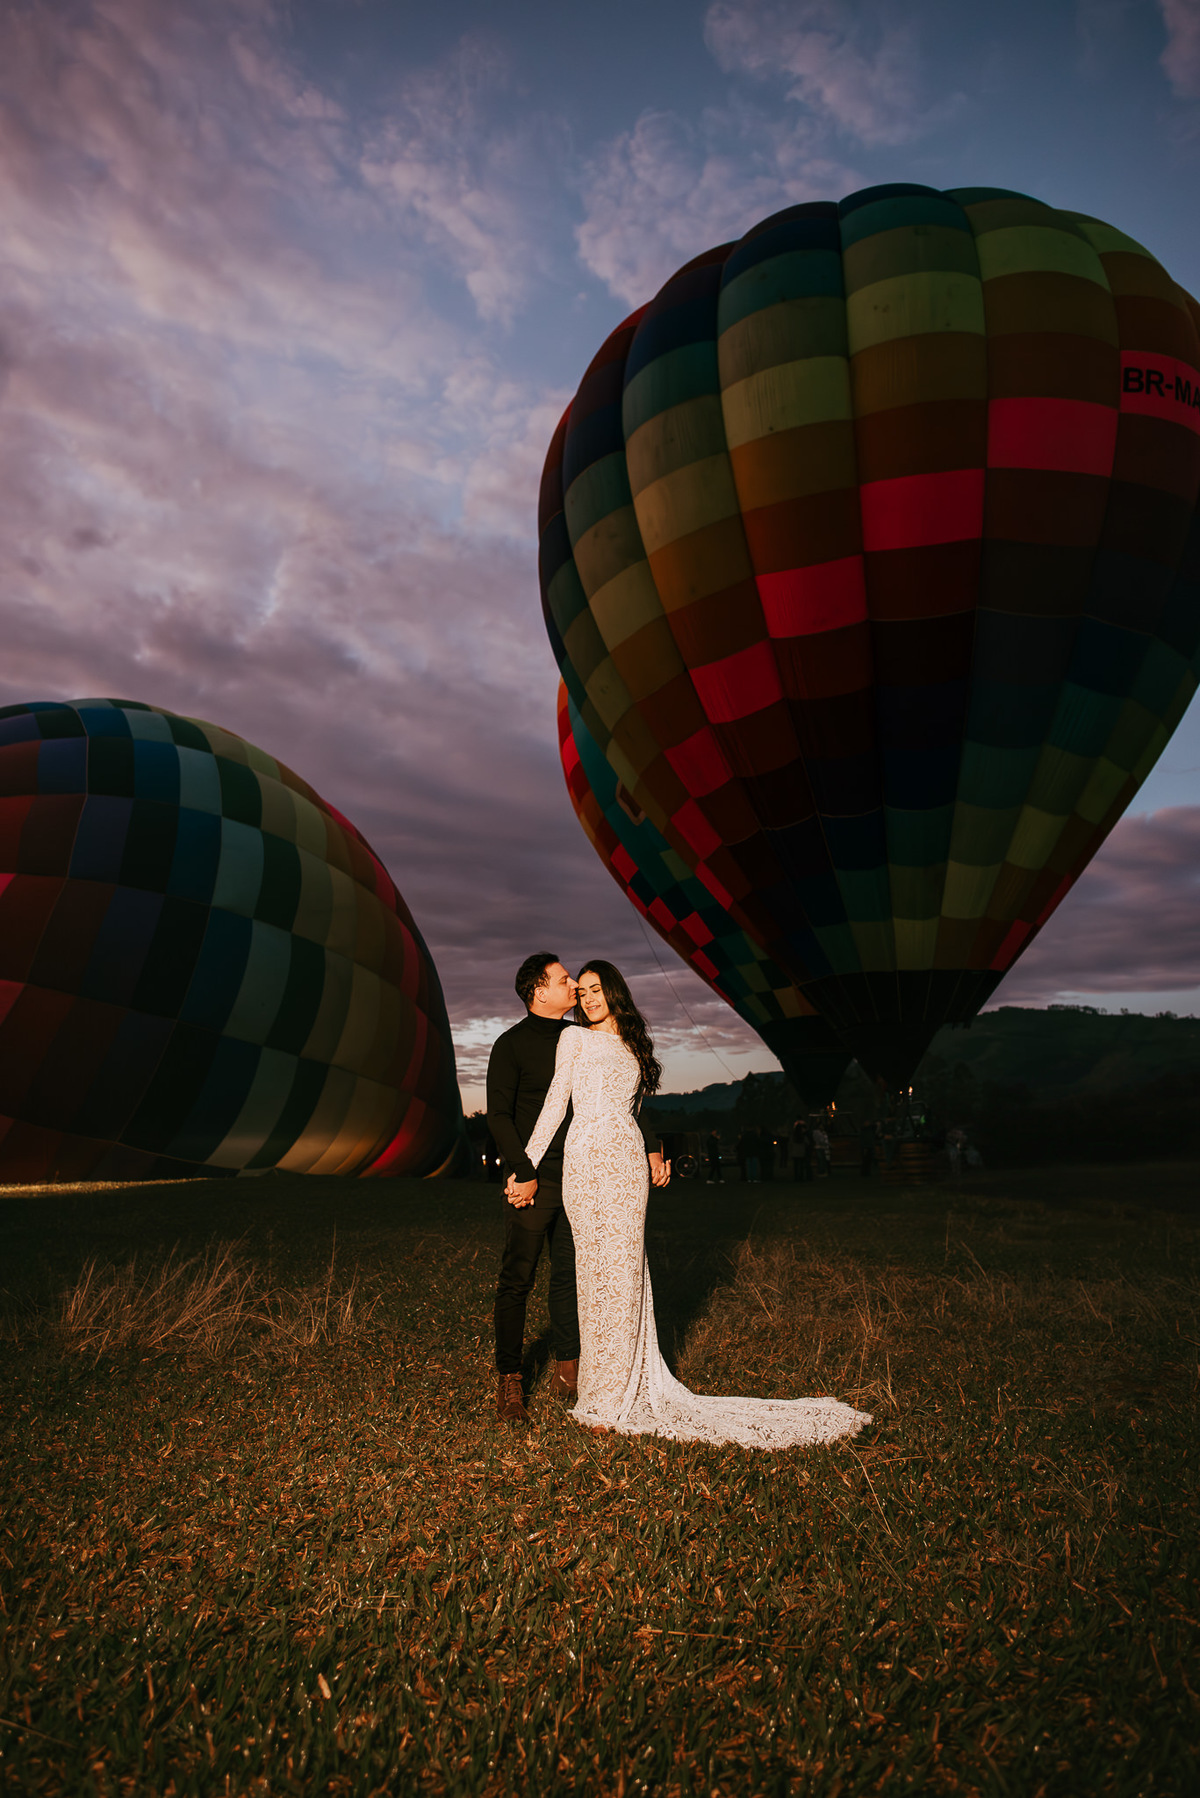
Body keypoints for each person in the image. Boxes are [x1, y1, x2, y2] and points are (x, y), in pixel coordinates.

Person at [511, 961, 872, 1450]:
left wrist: (652, 1149)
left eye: (597, 989)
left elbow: (638, 1111)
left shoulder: (635, 1046)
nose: (589, 998)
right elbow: (556, 1104)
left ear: (615, 992)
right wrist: (527, 1165)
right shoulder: (572, 1039)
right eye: (583, 991)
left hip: (623, 1164)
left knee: (623, 1272)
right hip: (581, 1162)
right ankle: (596, 1392)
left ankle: (618, 1394)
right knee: (591, 1275)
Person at [486, 952, 664, 1425]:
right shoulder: (512, 1044)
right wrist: (522, 1170)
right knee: (518, 1276)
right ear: (539, 991)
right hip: (537, 1173)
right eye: (566, 981)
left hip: (588, 1171)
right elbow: (501, 1115)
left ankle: (571, 1370)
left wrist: (652, 1147)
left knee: (571, 1273)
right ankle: (510, 1380)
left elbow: (632, 1102)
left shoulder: (586, 1035)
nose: (575, 989)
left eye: (581, 984)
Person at [789, 1119, 812, 1183]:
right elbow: (807, 1142)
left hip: (795, 1152)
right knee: (801, 1166)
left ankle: (796, 1177)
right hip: (801, 1152)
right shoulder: (802, 1136)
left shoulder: (793, 1136)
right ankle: (801, 1177)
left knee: (796, 1166)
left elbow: (790, 1143)